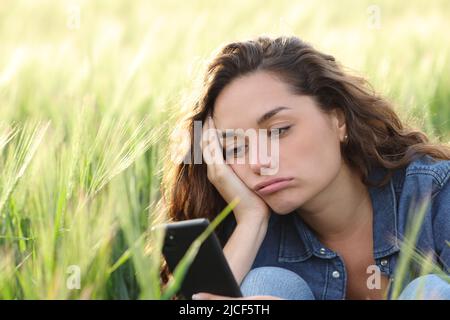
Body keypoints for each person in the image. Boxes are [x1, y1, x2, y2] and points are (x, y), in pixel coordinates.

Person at [160, 35, 450, 300]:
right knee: (266, 284)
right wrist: (251, 219)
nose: (260, 162)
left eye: (279, 131)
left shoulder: (434, 193)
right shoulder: (248, 237)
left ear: (338, 119)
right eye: (235, 148)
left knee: (429, 292)